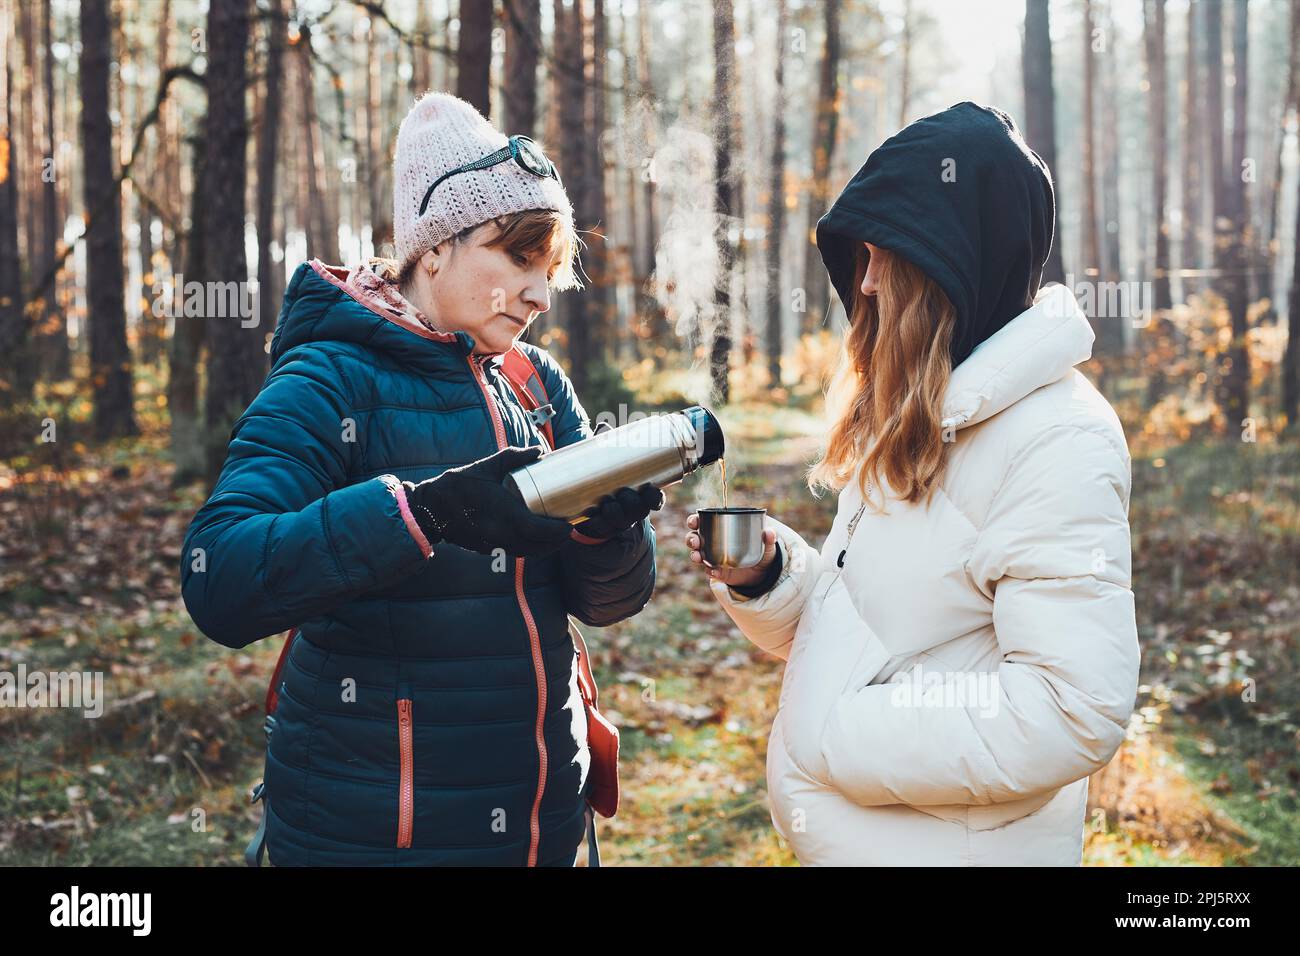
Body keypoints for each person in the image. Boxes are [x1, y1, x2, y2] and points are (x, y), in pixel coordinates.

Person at [181, 92, 662, 866]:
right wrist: (424, 514)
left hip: (545, 825)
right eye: (519, 258)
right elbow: (220, 576)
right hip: (378, 834)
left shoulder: (536, 382)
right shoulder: (329, 379)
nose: (541, 295)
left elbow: (608, 604)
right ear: (434, 248)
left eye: (550, 270)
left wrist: (607, 534)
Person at [684, 102, 1139, 866]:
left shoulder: (1058, 438)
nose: (862, 286)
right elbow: (879, 632)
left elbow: (1070, 711)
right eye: (856, 258)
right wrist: (770, 576)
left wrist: (834, 731)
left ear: (955, 264)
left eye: (881, 258)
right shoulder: (923, 418)